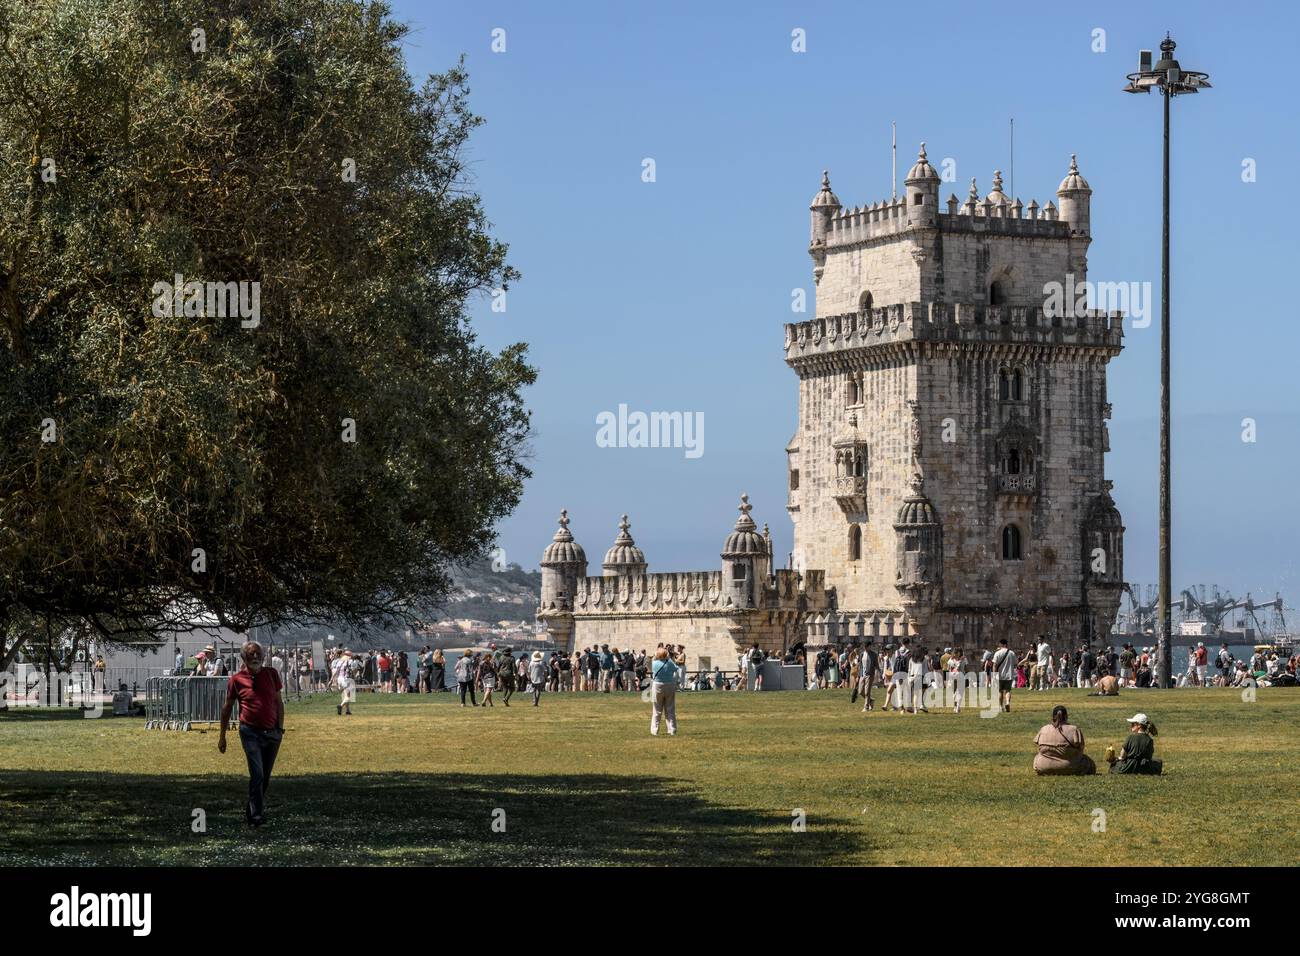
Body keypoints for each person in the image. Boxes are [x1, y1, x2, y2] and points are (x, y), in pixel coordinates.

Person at [218, 641, 284, 827]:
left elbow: (279, 702)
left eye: (257, 654)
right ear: (243, 658)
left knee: (265, 777)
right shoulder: (236, 680)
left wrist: (279, 729)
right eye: (250, 654)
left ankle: (251, 810)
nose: (255, 657)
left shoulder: (271, 674)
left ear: (263, 656)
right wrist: (222, 736)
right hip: (250, 732)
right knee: (257, 774)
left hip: (272, 733)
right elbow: (227, 708)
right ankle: (256, 817)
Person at [1032, 705, 1096, 775]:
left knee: (1037, 756)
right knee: (1088, 761)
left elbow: (1037, 743)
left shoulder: (1044, 729)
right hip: (1071, 767)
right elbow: (1081, 747)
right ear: (1066, 716)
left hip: (1043, 767)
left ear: (1052, 717)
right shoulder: (1074, 729)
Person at [649, 647, 678, 736]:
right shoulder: (669, 663)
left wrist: (655, 655)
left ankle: (655, 730)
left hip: (658, 685)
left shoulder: (654, 663)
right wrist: (669, 658)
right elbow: (676, 668)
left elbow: (651, 663)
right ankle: (672, 729)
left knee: (657, 709)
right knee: (670, 708)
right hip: (669, 685)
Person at [993, 638, 1017, 713]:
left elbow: (994, 665)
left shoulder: (997, 653)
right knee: (1008, 690)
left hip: (1000, 675)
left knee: (1000, 691)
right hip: (1009, 675)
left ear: (1002, 644)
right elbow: (1015, 664)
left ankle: (1001, 707)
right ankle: (1007, 702)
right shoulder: (1012, 653)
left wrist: (994, 675)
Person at [854, 640, 879, 711]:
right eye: (864, 647)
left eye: (866, 646)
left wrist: (879, 673)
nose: (865, 648)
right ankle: (871, 700)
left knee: (867, 691)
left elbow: (876, 665)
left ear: (869, 646)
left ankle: (866, 707)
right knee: (860, 691)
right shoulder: (862, 654)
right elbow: (860, 665)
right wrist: (858, 675)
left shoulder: (874, 654)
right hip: (862, 674)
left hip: (870, 674)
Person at [330, 649, 355, 715]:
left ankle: (347, 710)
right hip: (346, 679)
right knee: (348, 697)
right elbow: (353, 670)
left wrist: (331, 680)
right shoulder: (350, 661)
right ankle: (340, 706)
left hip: (339, 679)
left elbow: (336, 671)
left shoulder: (340, 661)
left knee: (344, 696)